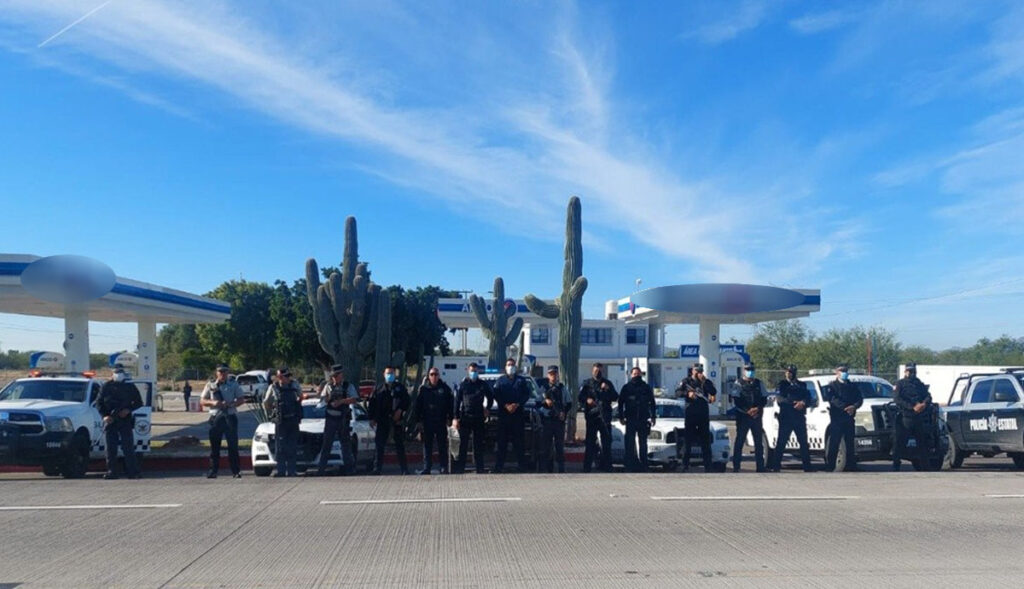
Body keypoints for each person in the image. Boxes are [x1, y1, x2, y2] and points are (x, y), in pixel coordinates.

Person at [97, 365, 143, 480]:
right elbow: (99, 403)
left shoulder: (129, 386)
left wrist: (128, 410)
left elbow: (138, 402)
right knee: (110, 448)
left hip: (125, 420)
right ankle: (112, 471)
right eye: (116, 372)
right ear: (112, 373)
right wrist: (105, 416)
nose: (118, 374)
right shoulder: (106, 386)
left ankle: (132, 472)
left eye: (120, 371)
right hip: (110, 421)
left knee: (128, 447)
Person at [200, 364, 245, 479]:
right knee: (215, 446)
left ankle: (236, 471)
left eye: (225, 372)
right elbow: (202, 401)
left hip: (230, 416)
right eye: (220, 372)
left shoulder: (233, 384)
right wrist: (214, 403)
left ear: (228, 372)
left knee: (233, 446)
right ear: (216, 373)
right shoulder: (210, 385)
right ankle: (213, 471)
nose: (222, 374)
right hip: (216, 418)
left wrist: (232, 404)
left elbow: (241, 399)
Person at [316, 364, 360, 476]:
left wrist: (341, 401)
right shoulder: (328, 386)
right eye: (333, 376)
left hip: (343, 419)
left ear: (341, 375)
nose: (334, 378)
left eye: (337, 375)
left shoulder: (348, 386)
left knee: (345, 445)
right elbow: (322, 399)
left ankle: (349, 470)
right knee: (326, 445)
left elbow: (354, 399)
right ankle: (321, 470)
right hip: (330, 419)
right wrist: (327, 399)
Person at [771, 364, 814, 472]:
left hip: (799, 417)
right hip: (786, 417)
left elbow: (808, 398)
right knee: (781, 442)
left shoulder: (802, 385)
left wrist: (803, 403)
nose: (788, 374)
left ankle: (807, 467)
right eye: (787, 372)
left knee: (803, 443)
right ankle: (776, 467)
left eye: (790, 372)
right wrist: (794, 403)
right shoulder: (782, 385)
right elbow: (780, 399)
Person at [892, 362, 934, 471]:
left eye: (913, 371)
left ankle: (925, 465)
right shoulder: (900, 384)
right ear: (905, 372)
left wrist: (924, 404)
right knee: (900, 442)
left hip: (918, 417)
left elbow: (928, 396)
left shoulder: (919, 384)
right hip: (905, 417)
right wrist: (912, 407)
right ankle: (896, 465)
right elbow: (897, 399)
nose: (912, 373)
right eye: (909, 371)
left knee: (922, 442)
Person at [369, 365, 410, 475]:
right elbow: (372, 404)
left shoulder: (400, 388)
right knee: (379, 446)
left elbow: (407, 400)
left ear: (395, 374)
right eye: (388, 373)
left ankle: (404, 469)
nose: (389, 375)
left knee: (399, 445)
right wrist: (372, 418)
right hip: (382, 420)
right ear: (384, 375)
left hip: (396, 421)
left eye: (391, 373)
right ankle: (377, 469)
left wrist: (400, 410)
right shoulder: (378, 389)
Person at [675, 363, 717, 472]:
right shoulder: (686, 381)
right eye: (697, 371)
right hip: (691, 415)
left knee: (705, 442)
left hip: (703, 415)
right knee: (688, 441)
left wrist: (705, 382)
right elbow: (677, 393)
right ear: (692, 371)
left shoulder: (706, 382)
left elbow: (713, 392)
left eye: (701, 371)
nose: (699, 373)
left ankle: (708, 466)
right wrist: (687, 394)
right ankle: (685, 465)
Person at [492, 358, 531, 473]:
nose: (510, 367)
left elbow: (526, 394)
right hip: (504, 416)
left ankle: (521, 466)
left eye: (512, 365)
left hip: (517, 416)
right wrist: (505, 405)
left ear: (516, 367)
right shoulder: (500, 381)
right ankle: (499, 466)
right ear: (505, 367)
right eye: (508, 365)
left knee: (519, 442)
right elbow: (496, 395)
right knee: (502, 443)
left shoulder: (521, 380)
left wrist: (517, 404)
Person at [453, 362, 492, 474]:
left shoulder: (482, 384)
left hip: (479, 417)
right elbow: (457, 401)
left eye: (475, 371)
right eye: (471, 371)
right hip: (465, 417)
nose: (473, 373)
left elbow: (490, 396)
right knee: (463, 444)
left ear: (478, 371)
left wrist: (487, 408)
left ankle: (480, 468)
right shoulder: (463, 384)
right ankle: (460, 468)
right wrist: (455, 417)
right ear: (468, 371)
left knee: (478, 444)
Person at [263, 367, 303, 477]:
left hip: (293, 419)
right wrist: (273, 412)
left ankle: (292, 470)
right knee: (280, 446)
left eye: (282, 377)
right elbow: (266, 403)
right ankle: (281, 470)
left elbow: (301, 397)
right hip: (281, 421)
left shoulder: (294, 385)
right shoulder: (273, 387)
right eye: (279, 377)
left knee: (292, 445)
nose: (280, 379)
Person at [578, 362, 618, 472]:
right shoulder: (587, 384)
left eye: (600, 370)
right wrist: (587, 400)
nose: (598, 372)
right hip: (592, 417)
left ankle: (607, 467)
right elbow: (580, 397)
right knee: (590, 443)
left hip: (605, 417)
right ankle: (587, 467)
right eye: (596, 370)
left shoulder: (607, 383)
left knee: (606, 443)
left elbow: (615, 397)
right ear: (592, 371)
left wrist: (608, 388)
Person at [415, 368, 454, 474]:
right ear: (428, 376)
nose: (434, 376)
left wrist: (450, 418)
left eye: (436, 374)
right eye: (432, 374)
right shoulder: (423, 389)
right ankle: (427, 467)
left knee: (442, 445)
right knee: (427, 446)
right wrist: (418, 421)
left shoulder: (445, 389)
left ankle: (443, 467)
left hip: (441, 421)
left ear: (439, 375)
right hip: (428, 421)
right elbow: (418, 406)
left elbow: (451, 405)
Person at [618, 366, 656, 472]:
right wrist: (621, 417)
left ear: (641, 375)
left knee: (643, 443)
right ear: (631, 375)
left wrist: (653, 417)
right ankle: (629, 465)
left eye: (638, 374)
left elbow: (652, 402)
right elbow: (620, 403)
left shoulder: (646, 387)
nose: (636, 376)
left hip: (643, 419)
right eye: (634, 374)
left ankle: (644, 465)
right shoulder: (626, 387)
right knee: (629, 443)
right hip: (630, 419)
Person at [825, 364, 863, 472]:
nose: (844, 372)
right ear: (836, 372)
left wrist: (854, 407)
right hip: (837, 418)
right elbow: (832, 399)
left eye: (845, 370)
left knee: (849, 443)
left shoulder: (852, 386)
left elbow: (859, 399)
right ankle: (830, 466)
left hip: (849, 418)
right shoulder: (832, 386)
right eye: (841, 370)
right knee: (834, 442)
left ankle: (851, 465)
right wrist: (845, 407)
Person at [731, 362, 767, 473]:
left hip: (756, 416)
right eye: (747, 369)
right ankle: (736, 467)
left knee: (758, 443)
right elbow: (736, 401)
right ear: (743, 370)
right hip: (743, 417)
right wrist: (747, 411)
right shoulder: (738, 383)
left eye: (752, 369)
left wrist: (757, 408)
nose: (750, 371)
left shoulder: (759, 383)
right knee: (740, 441)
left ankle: (760, 467)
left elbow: (764, 398)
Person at [537, 365, 569, 473]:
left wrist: (563, 413)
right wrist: (545, 402)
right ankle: (547, 468)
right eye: (551, 374)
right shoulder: (543, 388)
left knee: (559, 446)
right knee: (546, 446)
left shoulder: (562, 388)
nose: (553, 376)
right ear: (548, 375)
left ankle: (561, 468)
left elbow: (568, 403)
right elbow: (537, 402)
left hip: (559, 420)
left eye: (555, 374)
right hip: (547, 420)